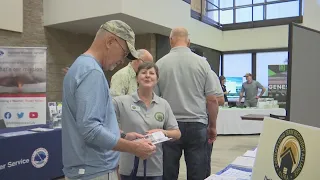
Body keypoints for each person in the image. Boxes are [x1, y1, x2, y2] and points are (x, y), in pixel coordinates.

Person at [62, 20, 156, 180]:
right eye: (124, 53)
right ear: (110, 41)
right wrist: (133, 148)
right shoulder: (92, 72)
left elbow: (90, 121)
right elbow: (91, 130)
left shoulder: (81, 66)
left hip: (87, 168)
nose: (122, 60)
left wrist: (123, 136)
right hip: (95, 170)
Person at [155, 27, 219, 180]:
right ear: (188, 42)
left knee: (167, 173)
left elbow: (155, 100)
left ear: (171, 41)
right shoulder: (202, 64)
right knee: (198, 173)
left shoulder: (160, 64)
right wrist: (213, 126)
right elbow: (212, 99)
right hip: (197, 125)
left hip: (170, 127)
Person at [113, 62, 181, 180]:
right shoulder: (120, 102)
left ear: (157, 79)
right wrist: (124, 135)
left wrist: (163, 132)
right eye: (143, 72)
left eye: (151, 73)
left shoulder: (163, 104)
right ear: (137, 78)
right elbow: (106, 128)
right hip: (129, 168)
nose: (147, 76)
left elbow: (177, 133)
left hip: (154, 169)